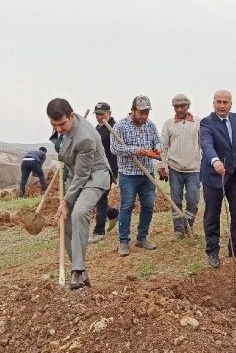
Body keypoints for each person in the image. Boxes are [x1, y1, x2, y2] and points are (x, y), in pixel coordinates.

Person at [46, 98, 111, 290]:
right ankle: (82, 274)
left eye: (62, 124)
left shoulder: (85, 138)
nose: (58, 129)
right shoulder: (62, 127)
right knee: (64, 223)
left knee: (79, 212)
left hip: (95, 176)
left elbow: (83, 174)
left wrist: (66, 201)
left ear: (72, 116)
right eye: (53, 125)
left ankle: (77, 271)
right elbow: (67, 157)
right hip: (75, 176)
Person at [199, 90, 236, 268]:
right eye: (218, 102)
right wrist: (215, 160)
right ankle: (213, 251)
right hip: (213, 177)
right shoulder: (207, 122)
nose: (222, 105)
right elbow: (206, 144)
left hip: (235, 176)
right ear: (213, 103)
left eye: (225, 102)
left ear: (231, 104)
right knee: (212, 214)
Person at [110, 95, 162, 257]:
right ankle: (123, 241)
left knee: (148, 206)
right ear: (132, 110)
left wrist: (158, 148)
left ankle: (142, 238)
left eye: (146, 113)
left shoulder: (150, 125)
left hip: (147, 173)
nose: (144, 116)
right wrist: (134, 150)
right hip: (128, 175)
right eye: (141, 113)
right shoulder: (121, 126)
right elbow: (114, 148)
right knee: (126, 207)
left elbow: (157, 141)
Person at [157, 94, 202, 238]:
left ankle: (189, 223)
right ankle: (178, 229)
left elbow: (204, 145)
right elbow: (163, 147)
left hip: (194, 169)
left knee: (193, 199)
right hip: (174, 168)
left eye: (182, 106)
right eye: (176, 106)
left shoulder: (197, 123)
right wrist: (162, 166)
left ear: (188, 106)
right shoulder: (169, 124)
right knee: (175, 200)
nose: (179, 109)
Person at [88, 102, 119, 243]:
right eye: (97, 114)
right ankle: (112, 214)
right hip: (97, 167)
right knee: (96, 197)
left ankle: (99, 231)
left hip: (110, 168)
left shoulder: (114, 127)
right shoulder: (98, 128)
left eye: (102, 114)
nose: (99, 117)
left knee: (100, 197)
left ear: (109, 113)